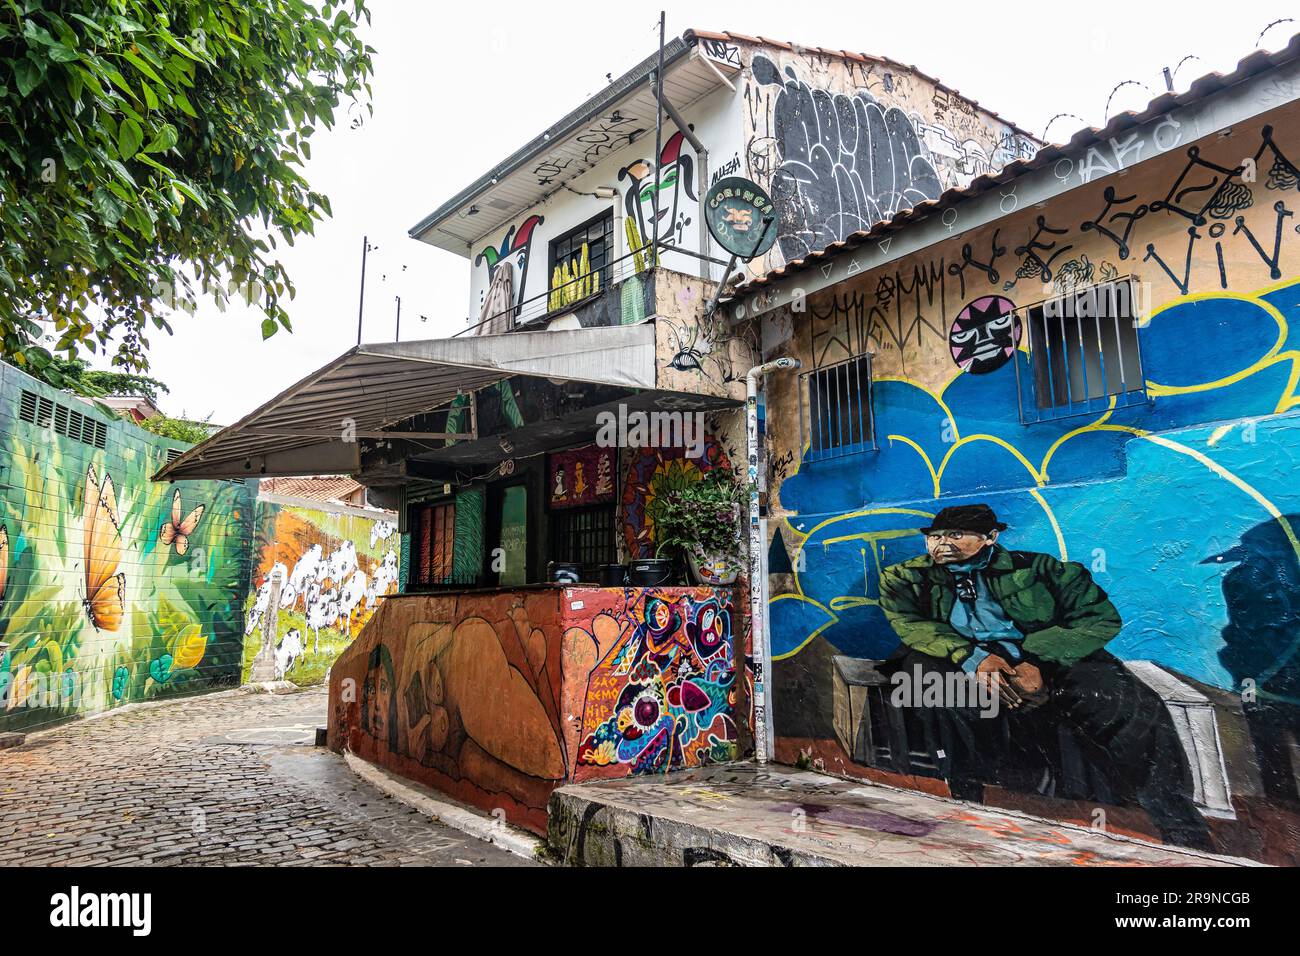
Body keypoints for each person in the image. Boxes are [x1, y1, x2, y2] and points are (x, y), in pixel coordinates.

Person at [878, 504, 1213, 850]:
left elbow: (1099, 618)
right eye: (934, 537)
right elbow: (913, 626)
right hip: (964, 656)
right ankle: (967, 798)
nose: (941, 544)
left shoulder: (1041, 569)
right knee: (932, 685)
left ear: (991, 537)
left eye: (955, 535)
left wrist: (1036, 661)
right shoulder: (905, 577)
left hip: (1047, 655)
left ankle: (1179, 823)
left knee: (1125, 702)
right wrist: (974, 658)